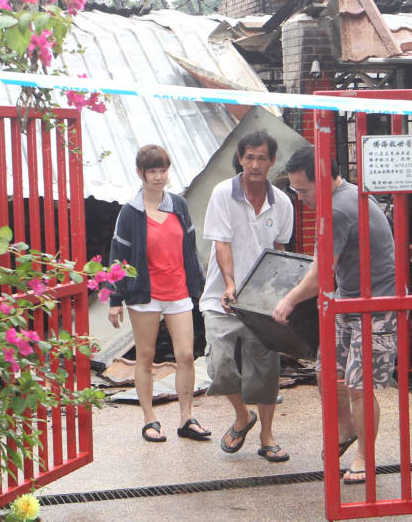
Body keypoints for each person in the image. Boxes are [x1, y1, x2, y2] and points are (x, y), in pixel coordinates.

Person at [272, 146, 396, 485]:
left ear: (324, 179)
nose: (299, 198)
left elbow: (321, 275)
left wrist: (288, 301)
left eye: (303, 190)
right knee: (328, 375)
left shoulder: (340, 209)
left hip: (375, 308)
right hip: (346, 302)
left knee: (359, 386)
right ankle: (346, 430)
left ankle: (365, 459)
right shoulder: (340, 200)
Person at [200, 130, 294, 463]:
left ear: (272, 161)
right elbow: (221, 243)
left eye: (262, 158)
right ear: (240, 158)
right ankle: (243, 416)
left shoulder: (281, 202)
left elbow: (280, 252)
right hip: (220, 297)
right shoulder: (223, 193)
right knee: (220, 366)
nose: (255, 164)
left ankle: (267, 436)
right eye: (249, 157)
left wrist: (281, 296)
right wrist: (229, 284)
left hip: (262, 301)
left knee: (265, 369)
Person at [108, 144, 210, 443]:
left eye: (162, 170)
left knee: (186, 355)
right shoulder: (130, 212)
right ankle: (150, 419)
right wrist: (115, 300)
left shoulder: (179, 205)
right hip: (145, 294)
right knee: (146, 356)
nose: (158, 176)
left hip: (178, 290)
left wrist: (200, 288)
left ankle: (186, 418)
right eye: (151, 171)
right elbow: (118, 256)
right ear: (140, 173)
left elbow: (190, 251)